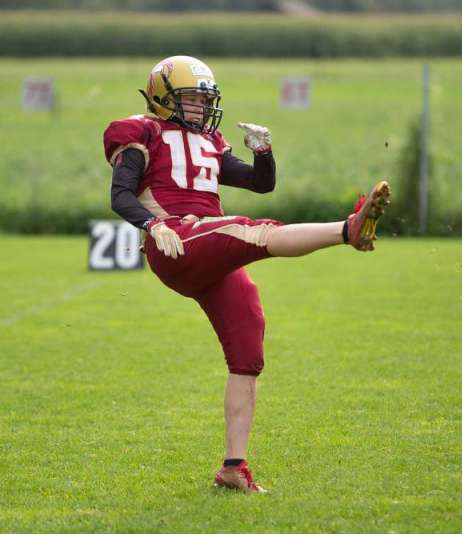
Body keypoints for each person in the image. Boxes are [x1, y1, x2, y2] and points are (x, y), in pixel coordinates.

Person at [103, 55, 391, 492]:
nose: (202, 107)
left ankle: (234, 467)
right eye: (192, 98)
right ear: (163, 97)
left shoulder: (208, 140)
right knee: (250, 231)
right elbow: (121, 195)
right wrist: (153, 225)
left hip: (208, 245)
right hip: (174, 240)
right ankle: (348, 230)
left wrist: (264, 153)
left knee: (248, 343)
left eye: (205, 99)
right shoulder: (142, 132)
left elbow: (261, 183)